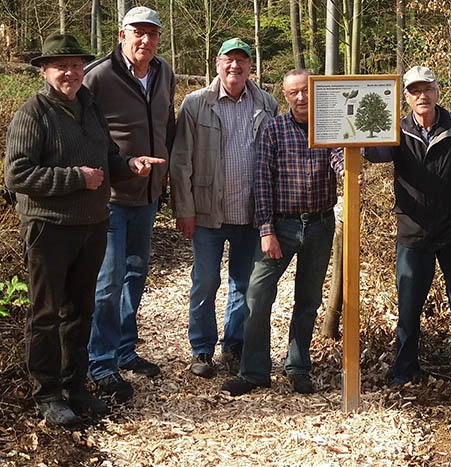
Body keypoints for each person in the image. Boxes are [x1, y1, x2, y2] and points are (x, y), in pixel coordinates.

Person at [4, 34, 164, 425]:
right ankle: (47, 394)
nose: (71, 72)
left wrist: (129, 165)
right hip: (49, 229)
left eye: (76, 65)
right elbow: (16, 174)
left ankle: (75, 386)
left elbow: (107, 157)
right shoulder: (33, 114)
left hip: (92, 226)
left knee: (81, 310)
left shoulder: (89, 107)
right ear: (45, 71)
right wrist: (75, 178)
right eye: (62, 66)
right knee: (45, 313)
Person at [364, 66, 451, 387]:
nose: (422, 96)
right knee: (408, 307)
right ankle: (405, 370)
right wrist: (360, 132)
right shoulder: (397, 130)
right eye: (415, 91)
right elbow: (375, 153)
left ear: (437, 92)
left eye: (427, 89)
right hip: (412, 233)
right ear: (405, 97)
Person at [221, 69, 343, 396]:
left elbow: (339, 157)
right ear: (285, 96)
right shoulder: (274, 129)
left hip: (320, 224)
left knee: (308, 299)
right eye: (294, 93)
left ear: (314, 91)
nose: (301, 98)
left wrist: (351, 173)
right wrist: (266, 231)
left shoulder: (328, 125)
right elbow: (261, 182)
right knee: (257, 295)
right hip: (282, 225)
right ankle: (254, 371)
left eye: (305, 91)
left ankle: (298, 366)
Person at [83, 6, 176, 402]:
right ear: (122, 35)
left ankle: (124, 350)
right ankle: (100, 363)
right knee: (108, 281)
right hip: (113, 197)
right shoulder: (100, 75)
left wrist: (166, 178)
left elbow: (167, 124)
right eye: (138, 33)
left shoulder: (164, 72)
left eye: (152, 34)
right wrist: (113, 168)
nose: (146, 41)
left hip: (149, 195)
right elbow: (82, 130)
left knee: (136, 275)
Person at [170, 38, 278, 379]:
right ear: (218, 64)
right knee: (205, 281)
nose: (235, 67)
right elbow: (180, 160)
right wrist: (183, 209)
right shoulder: (195, 103)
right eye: (229, 60)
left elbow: (276, 160)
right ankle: (201, 348)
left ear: (250, 67)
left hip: (250, 214)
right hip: (206, 213)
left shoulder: (267, 104)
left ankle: (234, 345)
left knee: (243, 284)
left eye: (242, 61)